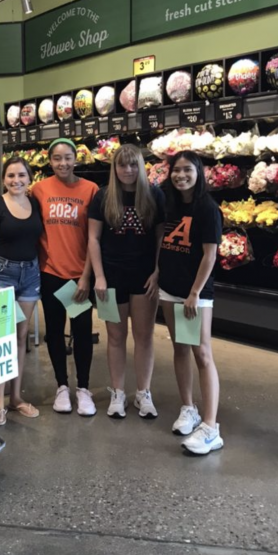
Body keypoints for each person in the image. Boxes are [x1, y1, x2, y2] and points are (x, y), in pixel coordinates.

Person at [88, 144, 165, 419]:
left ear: (141, 167)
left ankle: (144, 393)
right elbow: (93, 238)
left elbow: (161, 237)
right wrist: (99, 276)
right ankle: (118, 393)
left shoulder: (154, 194)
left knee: (144, 336)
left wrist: (157, 270)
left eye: (133, 164)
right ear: (115, 168)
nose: (128, 170)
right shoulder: (103, 196)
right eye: (122, 165)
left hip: (144, 277)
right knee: (115, 337)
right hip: (111, 277)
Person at [158, 150, 223, 455]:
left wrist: (195, 292)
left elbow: (210, 255)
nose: (181, 175)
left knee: (203, 354)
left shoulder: (208, 208)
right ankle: (188, 408)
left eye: (187, 170)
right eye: (176, 170)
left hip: (195, 295)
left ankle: (211, 428)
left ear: (199, 172)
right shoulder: (169, 204)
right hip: (169, 289)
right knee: (180, 348)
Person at [31, 137, 97, 416]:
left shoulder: (90, 189)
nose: (62, 163)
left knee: (82, 334)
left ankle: (83, 388)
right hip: (50, 274)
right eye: (57, 158)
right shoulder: (39, 189)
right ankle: (61, 386)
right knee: (55, 333)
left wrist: (86, 277)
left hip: (78, 277)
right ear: (50, 161)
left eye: (68, 157)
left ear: (76, 159)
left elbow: (94, 238)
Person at [0, 156, 43, 424]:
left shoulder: (35, 204)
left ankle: (16, 398)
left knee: (21, 337)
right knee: (1, 338)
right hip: (3, 274)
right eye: (10, 176)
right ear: (3, 179)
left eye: (21, 175)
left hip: (30, 274)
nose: (16, 180)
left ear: (30, 178)